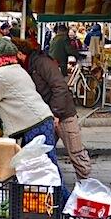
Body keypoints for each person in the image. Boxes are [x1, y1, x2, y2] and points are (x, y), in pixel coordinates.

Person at [0, 37, 67, 196]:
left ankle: (66, 206)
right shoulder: (17, 69)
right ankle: (53, 208)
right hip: (41, 121)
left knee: (46, 172)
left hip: (34, 125)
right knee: (44, 170)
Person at [13, 38, 92, 179]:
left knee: (75, 152)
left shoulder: (42, 62)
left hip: (63, 114)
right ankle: (50, 188)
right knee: (41, 154)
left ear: (19, 54)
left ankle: (86, 188)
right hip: (46, 115)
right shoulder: (30, 65)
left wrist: (55, 113)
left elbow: (60, 88)